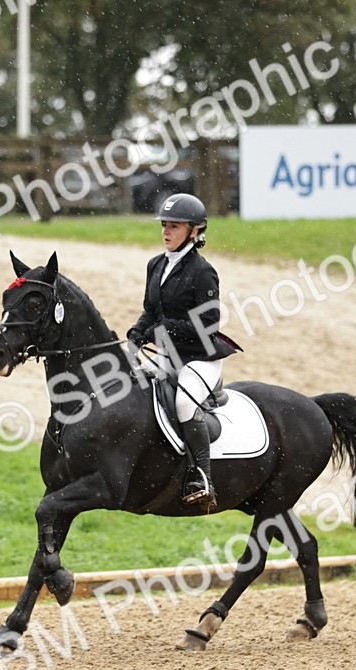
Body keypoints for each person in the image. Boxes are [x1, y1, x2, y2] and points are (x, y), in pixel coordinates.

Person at [126, 193, 241, 506]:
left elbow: (209, 323)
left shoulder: (203, 272)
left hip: (200, 357)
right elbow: (150, 309)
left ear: (194, 231)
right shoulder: (156, 264)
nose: (166, 232)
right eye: (164, 225)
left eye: (174, 227)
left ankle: (201, 476)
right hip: (169, 354)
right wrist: (137, 332)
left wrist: (163, 330)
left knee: (184, 406)